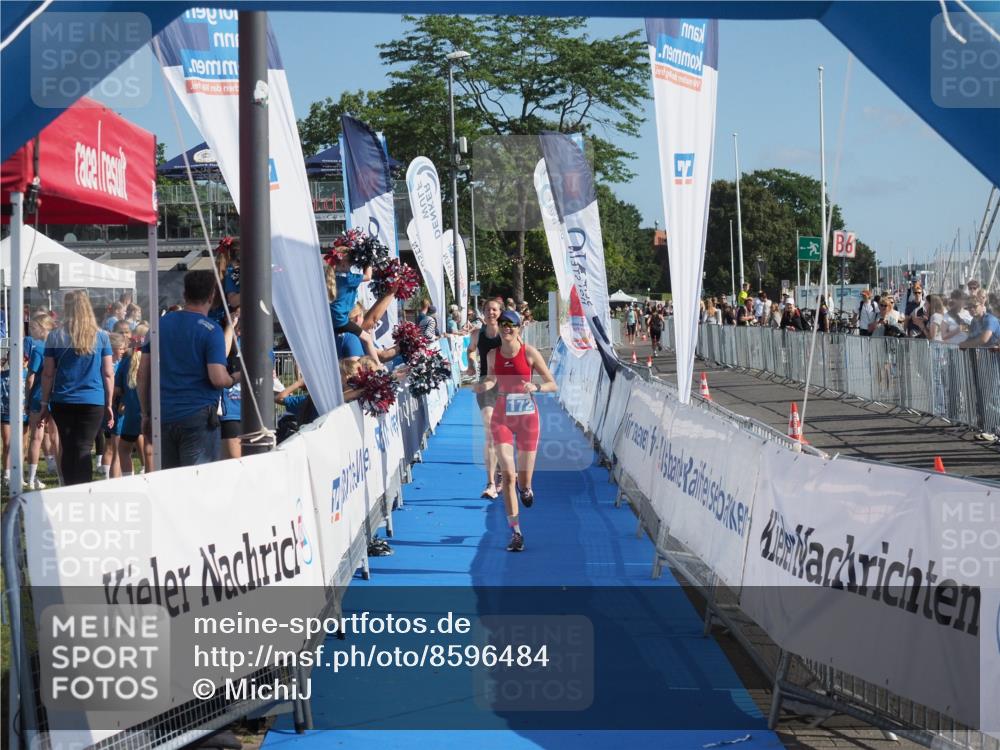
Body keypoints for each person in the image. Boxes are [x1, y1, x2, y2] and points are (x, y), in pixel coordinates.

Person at [473, 310, 557, 552]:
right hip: (502, 418)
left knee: (522, 481)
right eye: (503, 324)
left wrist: (536, 386)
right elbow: (491, 380)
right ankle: (516, 533)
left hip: (528, 419)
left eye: (512, 325)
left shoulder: (529, 353)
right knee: (508, 476)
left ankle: (527, 489)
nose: (507, 328)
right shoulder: (492, 354)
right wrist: (482, 385)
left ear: (520, 327)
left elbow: (553, 384)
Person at [139, 270, 238, 470]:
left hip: (163, 413)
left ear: (185, 294)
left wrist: (145, 413)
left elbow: (142, 374)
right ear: (212, 296)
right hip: (198, 416)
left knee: (169, 481)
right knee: (198, 483)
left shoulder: (158, 325)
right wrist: (236, 377)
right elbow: (218, 378)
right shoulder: (211, 330)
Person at [38, 291, 114, 486]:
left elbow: (47, 373)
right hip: (93, 400)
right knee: (83, 448)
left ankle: (70, 487)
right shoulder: (102, 337)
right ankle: (82, 490)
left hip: (63, 399)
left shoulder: (55, 336)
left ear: (67, 308)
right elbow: (108, 373)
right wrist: (109, 403)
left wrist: (44, 403)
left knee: (69, 446)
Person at [466, 298, 503, 499]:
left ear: (500, 312)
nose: (491, 313)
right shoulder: (477, 334)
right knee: (490, 431)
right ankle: (490, 483)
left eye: (495, 310)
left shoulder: (508, 333)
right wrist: (471, 363)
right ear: (483, 312)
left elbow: (521, 354)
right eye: (488, 309)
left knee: (503, 433)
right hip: (486, 384)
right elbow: (470, 350)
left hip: (506, 385)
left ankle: (503, 471)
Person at [24, 313, 56, 489]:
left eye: (34, 327)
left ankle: (31, 477)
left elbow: (31, 376)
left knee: (36, 437)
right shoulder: (57, 347)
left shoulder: (39, 349)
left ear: (43, 328)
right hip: (55, 395)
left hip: (38, 396)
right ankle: (59, 473)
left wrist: (27, 400)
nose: (31, 330)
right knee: (54, 436)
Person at [116, 324, 152, 475]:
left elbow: (117, 389)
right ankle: (151, 478)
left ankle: (127, 479)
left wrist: (122, 400)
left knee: (124, 449)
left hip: (131, 413)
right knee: (150, 448)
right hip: (150, 411)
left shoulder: (126, 361)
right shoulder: (153, 360)